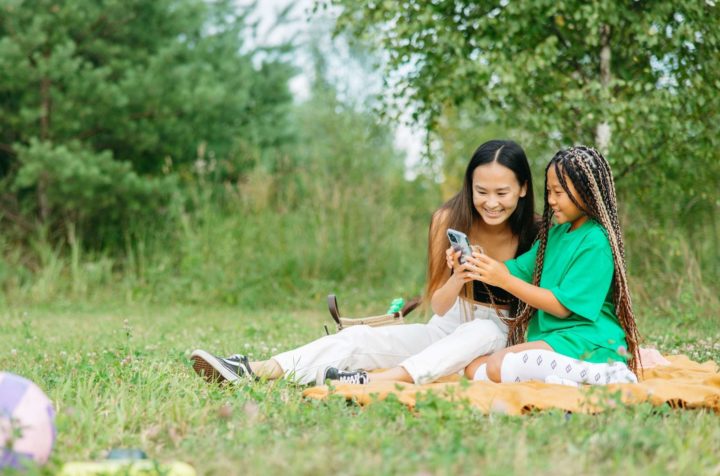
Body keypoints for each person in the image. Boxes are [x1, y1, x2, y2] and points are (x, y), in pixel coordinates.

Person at [190, 139, 538, 386]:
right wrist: (459, 277)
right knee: (361, 339)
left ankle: (381, 381)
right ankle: (256, 370)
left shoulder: (539, 233)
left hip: (501, 332)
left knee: (484, 330)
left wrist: (500, 276)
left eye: (502, 193)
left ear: (522, 188)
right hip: (447, 325)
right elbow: (440, 306)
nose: (491, 203)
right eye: (481, 191)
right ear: (470, 186)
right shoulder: (449, 218)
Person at [459, 145, 640, 386]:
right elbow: (511, 271)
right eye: (549, 192)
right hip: (554, 339)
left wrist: (503, 280)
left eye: (558, 192)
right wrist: (475, 261)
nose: (551, 200)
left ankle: (606, 374)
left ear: (586, 192)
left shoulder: (597, 241)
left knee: (496, 365)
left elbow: (561, 307)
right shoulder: (555, 236)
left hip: (589, 341)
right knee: (473, 368)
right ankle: (563, 379)